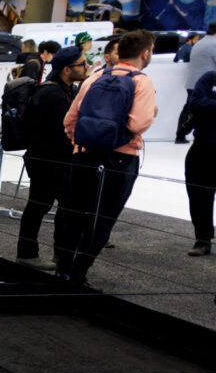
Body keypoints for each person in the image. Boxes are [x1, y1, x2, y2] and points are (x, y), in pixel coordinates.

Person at [55, 29, 158, 285]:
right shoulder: (142, 82)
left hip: (84, 156)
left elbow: (70, 120)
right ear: (145, 53)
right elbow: (138, 123)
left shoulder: (95, 77)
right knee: (103, 219)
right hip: (120, 159)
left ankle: (63, 270)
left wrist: (81, 142)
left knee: (75, 213)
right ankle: (79, 274)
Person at [16, 45, 90, 261]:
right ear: (67, 69)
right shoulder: (53, 94)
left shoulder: (61, 90)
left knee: (46, 206)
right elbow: (62, 130)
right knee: (43, 206)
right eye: (82, 64)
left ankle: (51, 255)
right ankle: (38, 255)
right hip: (49, 160)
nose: (86, 67)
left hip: (50, 158)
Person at [185, 67, 216, 256]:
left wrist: (210, 106)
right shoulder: (209, 77)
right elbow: (195, 104)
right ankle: (203, 239)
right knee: (198, 194)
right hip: (203, 146)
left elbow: (203, 105)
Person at [176, 24, 216, 145]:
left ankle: (180, 134)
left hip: (193, 82)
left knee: (189, 109)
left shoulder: (199, 43)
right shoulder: (214, 44)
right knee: (203, 110)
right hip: (205, 83)